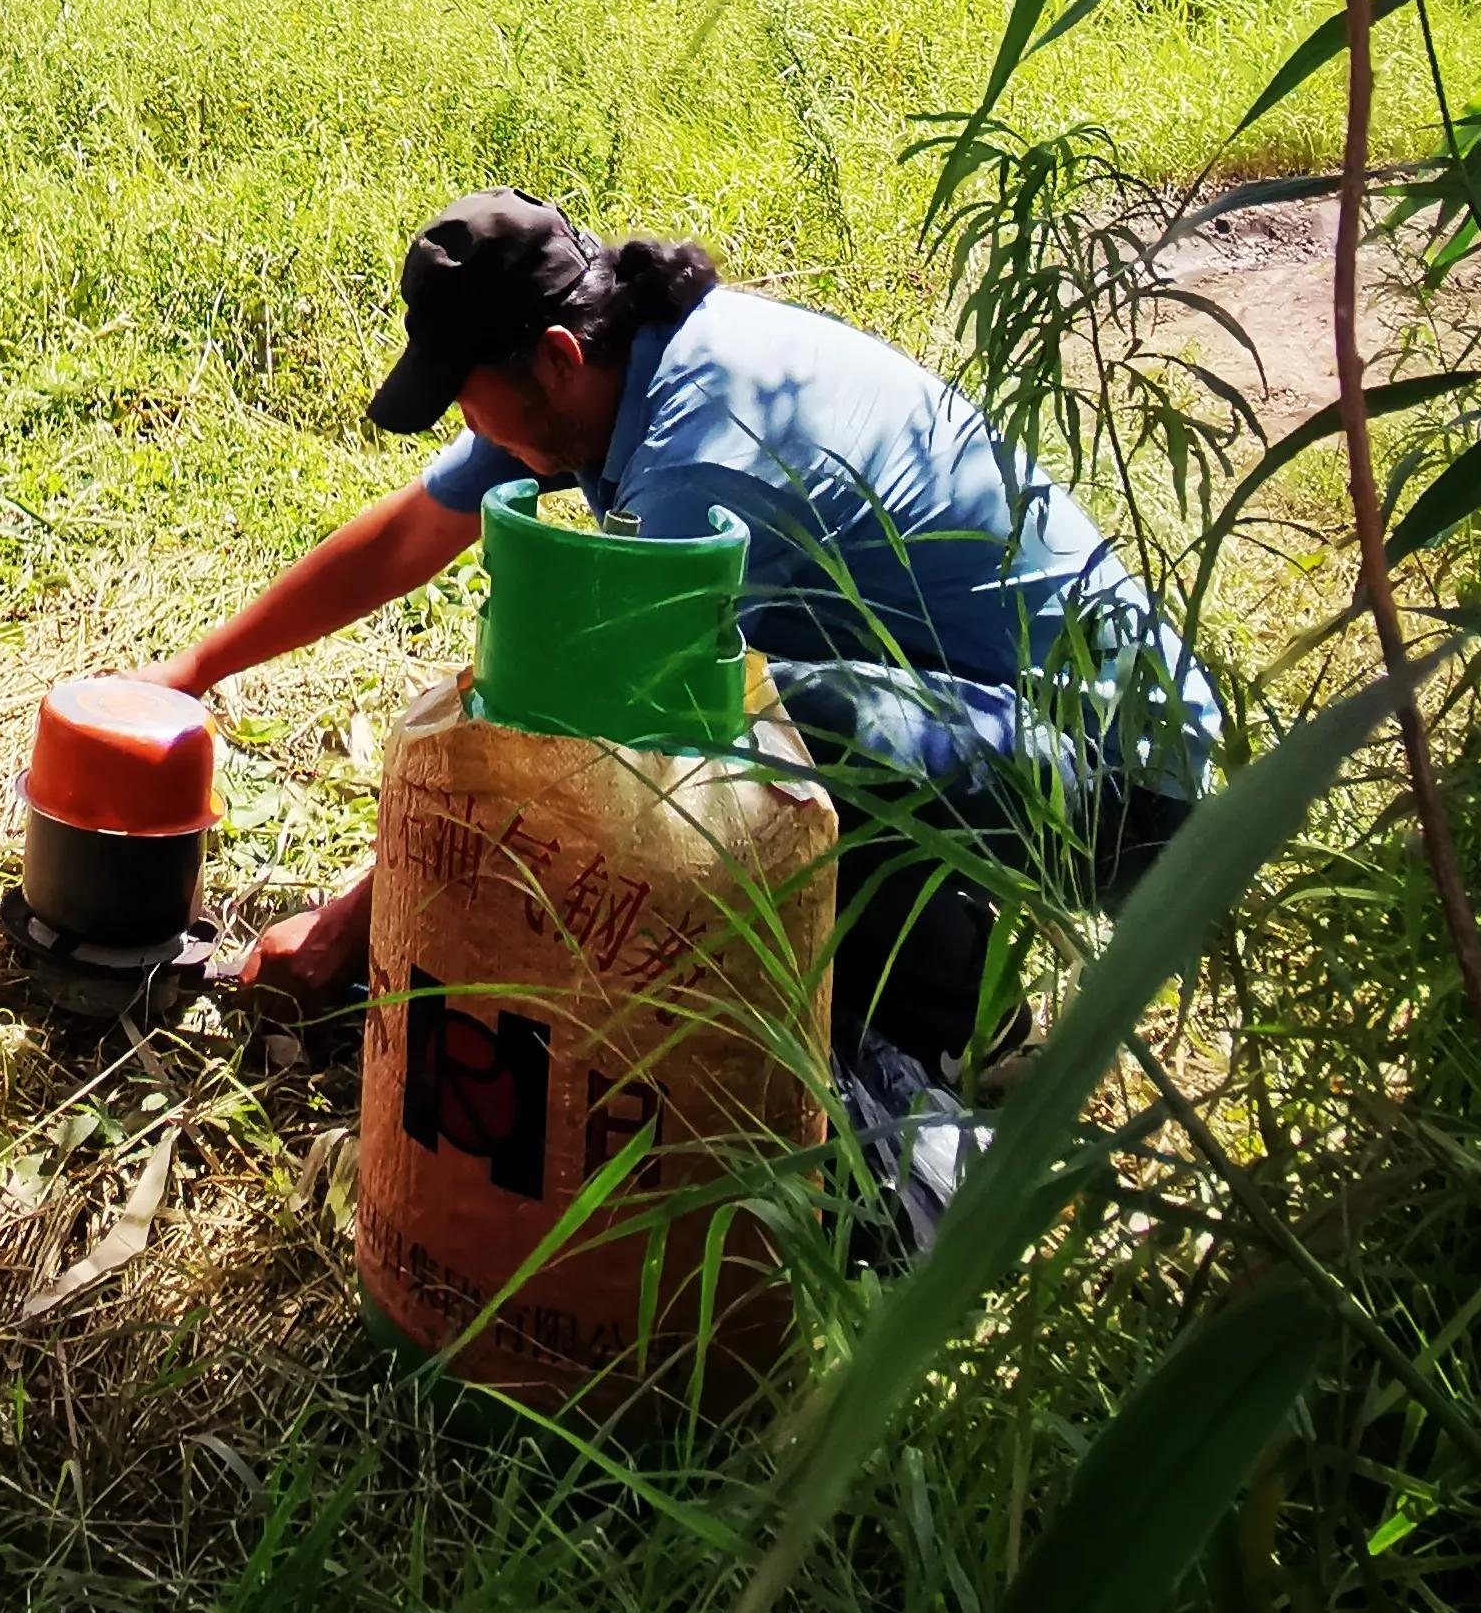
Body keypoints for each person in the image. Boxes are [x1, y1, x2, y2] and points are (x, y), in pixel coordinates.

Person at [162, 192, 1216, 1084]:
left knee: (743, 723)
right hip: (984, 717)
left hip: (1120, 793)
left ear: (558, 357)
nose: (473, 438)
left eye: (474, 413)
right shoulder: (618, 369)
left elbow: (582, 726)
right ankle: (917, 989)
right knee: (738, 716)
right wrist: (192, 672)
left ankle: (939, 1049)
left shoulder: (706, 454)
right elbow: (411, 534)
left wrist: (353, 923)